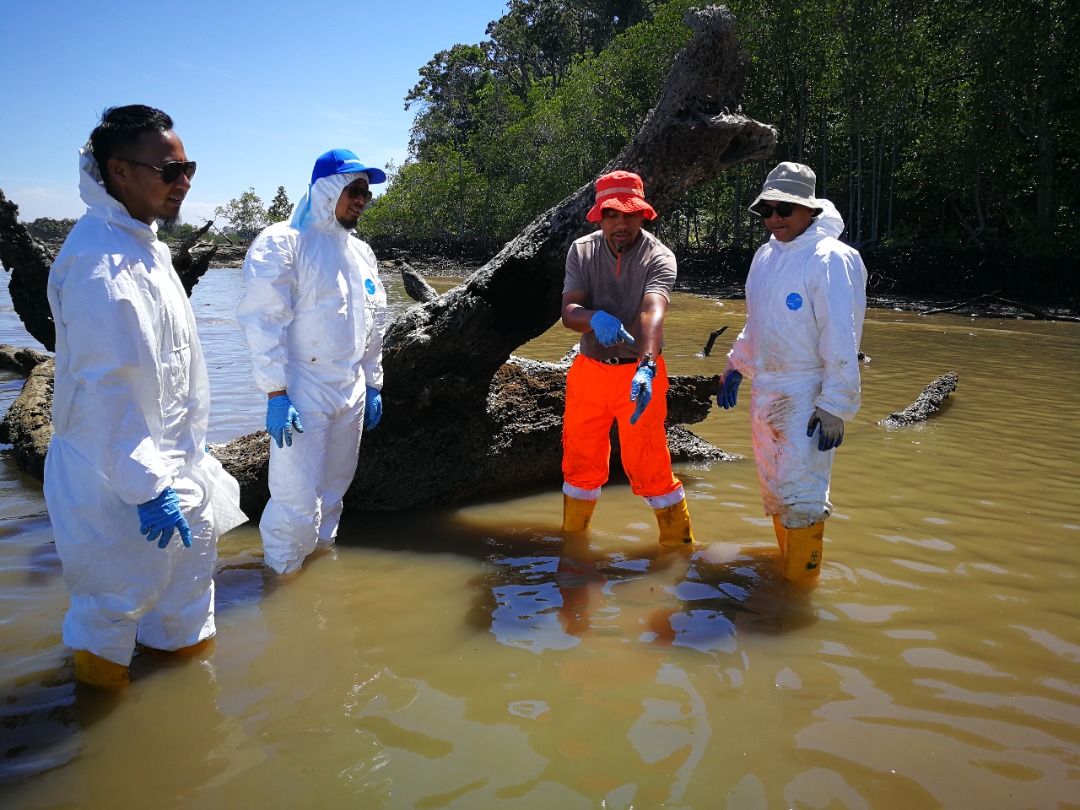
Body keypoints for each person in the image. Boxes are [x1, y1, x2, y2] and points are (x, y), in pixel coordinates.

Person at [44, 105, 245, 689]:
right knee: (110, 609)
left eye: (189, 168)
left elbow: (171, 372)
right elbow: (109, 387)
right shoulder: (97, 263)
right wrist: (147, 486)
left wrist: (181, 469)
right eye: (169, 169)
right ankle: (95, 732)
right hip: (114, 481)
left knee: (186, 603)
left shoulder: (145, 245)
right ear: (119, 171)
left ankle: (184, 723)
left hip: (176, 463)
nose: (183, 182)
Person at [236, 149, 387, 575]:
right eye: (353, 189)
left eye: (366, 193)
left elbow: (374, 326)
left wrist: (373, 383)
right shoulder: (284, 242)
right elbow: (263, 322)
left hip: (351, 389)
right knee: (295, 500)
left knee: (334, 493)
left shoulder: (361, 253)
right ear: (326, 190)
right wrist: (276, 393)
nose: (361, 199)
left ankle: (318, 572)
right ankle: (280, 580)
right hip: (302, 389)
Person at [716, 161, 867, 581]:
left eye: (784, 208)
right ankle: (787, 576)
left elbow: (842, 335)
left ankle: (800, 599)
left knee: (803, 497)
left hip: (808, 394)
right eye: (766, 210)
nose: (774, 218)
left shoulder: (833, 258)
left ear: (811, 210)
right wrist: (736, 364)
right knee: (777, 493)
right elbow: (757, 321)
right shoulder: (766, 256)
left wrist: (835, 404)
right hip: (767, 391)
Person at [559, 169, 694, 547]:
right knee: (579, 465)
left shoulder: (659, 256)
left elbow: (653, 310)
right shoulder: (581, 251)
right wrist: (593, 318)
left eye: (630, 214)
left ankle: (679, 549)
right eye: (612, 214)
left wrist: (648, 366)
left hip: (640, 374)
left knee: (651, 467)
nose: (621, 224)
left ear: (644, 215)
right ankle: (574, 550)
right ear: (599, 216)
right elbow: (569, 311)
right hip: (589, 372)